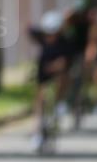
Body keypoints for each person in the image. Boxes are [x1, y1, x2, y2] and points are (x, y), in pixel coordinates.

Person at [29, 10, 71, 150]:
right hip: (43, 70)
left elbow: (65, 62)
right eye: (48, 32)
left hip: (59, 71)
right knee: (40, 98)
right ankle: (37, 133)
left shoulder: (65, 42)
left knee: (62, 78)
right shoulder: (40, 36)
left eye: (54, 32)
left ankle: (59, 103)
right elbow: (28, 29)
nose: (51, 35)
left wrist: (56, 66)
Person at [62, 0, 92, 126]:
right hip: (70, 49)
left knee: (84, 72)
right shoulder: (70, 17)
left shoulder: (89, 18)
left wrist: (90, 53)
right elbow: (62, 30)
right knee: (66, 74)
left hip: (83, 49)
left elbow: (93, 38)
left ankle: (84, 97)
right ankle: (65, 99)